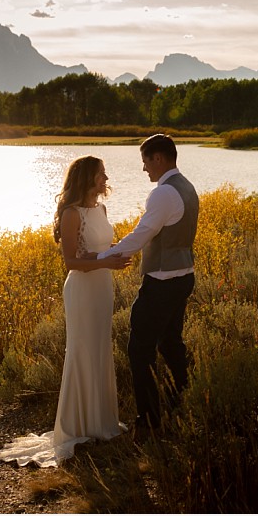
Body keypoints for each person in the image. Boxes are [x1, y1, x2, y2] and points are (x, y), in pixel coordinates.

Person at [0, 156, 131, 468]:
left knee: (100, 349)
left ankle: (100, 423)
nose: (105, 178)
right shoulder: (71, 214)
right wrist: (105, 262)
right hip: (82, 291)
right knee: (82, 351)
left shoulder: (102, 209)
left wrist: (114, 256)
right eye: (100, 174)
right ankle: (77, 426)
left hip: (102, 287)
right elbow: (71, 262)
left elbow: (97, 250)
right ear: (87, 178)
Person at [97, 134, 199, 441]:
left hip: (163, 282)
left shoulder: (164, 193)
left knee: (139, 350)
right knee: (170, 343)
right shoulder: (187, 187)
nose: (144, 169)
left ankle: (150, 423)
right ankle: (186, 401)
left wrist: (102, 257)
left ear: (158, 158)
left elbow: (142, 235)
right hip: (183, 276)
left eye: (145, 161)